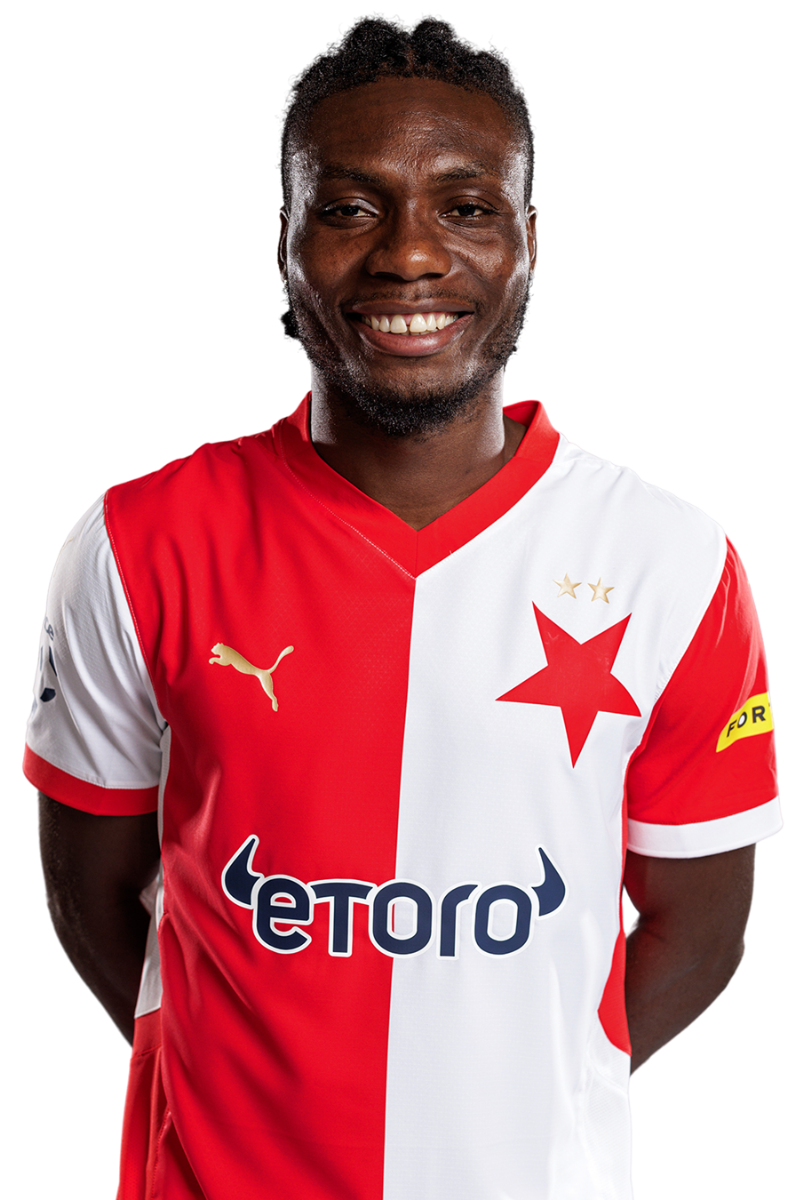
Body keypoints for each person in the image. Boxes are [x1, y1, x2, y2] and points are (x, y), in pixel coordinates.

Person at [26, 16, 781, 1200]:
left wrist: (517, 1098)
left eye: (466, 207)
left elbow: (695, 928)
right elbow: (91, 892)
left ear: (527, 243)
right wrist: (241, 1086)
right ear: (286, 244)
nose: (410, 255)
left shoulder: (666, 560)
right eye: (348, 207)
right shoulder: (137, 541)